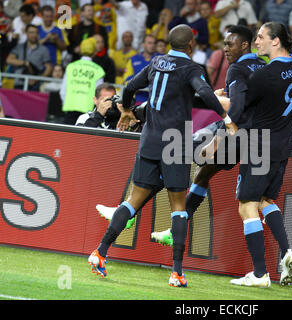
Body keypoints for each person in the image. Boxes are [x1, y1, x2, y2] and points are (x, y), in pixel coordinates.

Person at [87, 24, 237, 288]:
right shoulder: (191, 68)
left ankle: (100, 253)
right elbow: (202, 92)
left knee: (133, 201)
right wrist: (226, 118)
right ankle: (176, 272)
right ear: (190, 46)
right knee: (178, 207)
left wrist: (126, 111)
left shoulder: (156, 62)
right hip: (174, 143)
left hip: (149, 140)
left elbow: (130, 86)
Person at [229, 22, 292, 288]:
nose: (256, 41)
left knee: (246, 205)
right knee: (266, 199)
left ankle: (260, 273)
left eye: (261, 37)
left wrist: (222, 98)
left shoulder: (263, 75)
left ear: (276, 41)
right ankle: (287, 252)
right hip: (283, 145)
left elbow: (239, 109)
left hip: (260, 144)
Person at [60, 37, 105, 125]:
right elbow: (100, 95)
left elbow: (63, 91)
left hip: (70, 110)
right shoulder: (98, 70)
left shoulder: (71, 67)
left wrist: (65, 103)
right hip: (88, 113)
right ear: (95, 51)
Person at [75, 82, 144, 131]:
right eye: (105, 100)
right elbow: (79, 138)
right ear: (95, 100)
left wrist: (132, 124)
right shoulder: (85, 117)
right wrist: (98, 115)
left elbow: (139, 142)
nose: (110, 103)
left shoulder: (121, 119)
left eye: (112, 99)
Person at [6, 23, 52, 91]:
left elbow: (49, 67)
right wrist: (25, 63)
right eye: (31, 32)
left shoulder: (43, 49)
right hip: (19, 83)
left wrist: (38, 79)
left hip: (35, 85)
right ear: (26, 33)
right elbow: (9, 60)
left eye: (36, 33)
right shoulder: (19, 47)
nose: (34, 35)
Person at [122, 34, 160, 103]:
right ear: (143, 44)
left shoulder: (161, 58)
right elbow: (126, 80)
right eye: (149, 43)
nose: (152, 45)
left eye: (154, 43)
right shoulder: (133, 59)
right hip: (138, 100)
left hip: (156, 101)